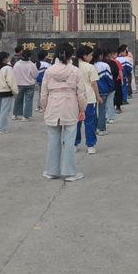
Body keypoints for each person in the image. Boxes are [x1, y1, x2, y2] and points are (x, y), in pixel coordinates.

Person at [41, 43, 87, 182]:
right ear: (71, 55)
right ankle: (70, 172)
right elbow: (81, 93)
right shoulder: (75, 71)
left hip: (52, 106)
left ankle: (51, 171)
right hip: (70, 106)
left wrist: (44, 108)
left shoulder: (49, 71)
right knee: (69, 141)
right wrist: (82, 109)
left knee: (53, 140)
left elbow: (44, 93)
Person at [74, 46, 101, 153]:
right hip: (88, 98)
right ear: (84, 55)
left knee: (76, 123)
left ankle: (74, 144)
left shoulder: (72, 67)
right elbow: (94, 83)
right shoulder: (90, 67)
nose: (92, 57)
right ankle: (90, 145)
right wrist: (98, 96)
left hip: (75, 99)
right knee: (89, 122)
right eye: (90, 55)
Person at [0, 52, 18, 134]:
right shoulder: (7, 68)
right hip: (6, 91)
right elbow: (11, 81)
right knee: (4, 110)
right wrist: (15, 92)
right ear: (5, 59)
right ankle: (2, 129)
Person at [12, 50, 39, 121]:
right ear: (30, 56)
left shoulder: (17, 64)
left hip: (19, 84)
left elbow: (13, 73)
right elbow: (35, 75)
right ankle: (26, 116)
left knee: (18, 99)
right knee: (28, 100)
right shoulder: (32, 65)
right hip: (29, 84)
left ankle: (15, 114)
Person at [93, 48, 114, 135]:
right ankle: (101, 129)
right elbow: (109, 78)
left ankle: (95, 128)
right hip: (103, 90)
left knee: (93, 111)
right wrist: (111, 88)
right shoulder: (105, 65)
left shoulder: (91, 66)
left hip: (92, 91)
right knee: (102, 110)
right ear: (100, 56)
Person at [103, 49, 120, 124]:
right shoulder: (113, 63)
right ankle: (111, 117)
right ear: (109, 55)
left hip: (102, 86)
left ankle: (105, 116)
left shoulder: (98, 64)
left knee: (102, 103)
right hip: (112, 84)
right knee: (110, 101)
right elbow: (116, 73)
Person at [110, 49, 124, 114]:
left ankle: (111, 107)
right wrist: (122, 80)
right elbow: (120, 71)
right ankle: (118, 107)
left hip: (110, 80)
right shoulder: (117, 62)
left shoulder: (106, 62)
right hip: (117, 80)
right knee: (118, 93)